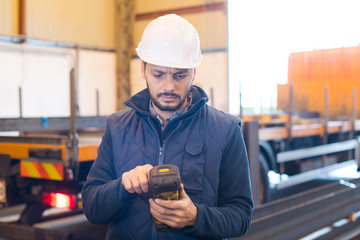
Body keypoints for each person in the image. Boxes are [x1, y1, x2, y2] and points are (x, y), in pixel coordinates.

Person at [81, 14, 253, 240]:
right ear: (143, 69)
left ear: (194, 72)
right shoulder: (118, 126)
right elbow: (92, 208)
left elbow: (241, 216)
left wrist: (195, 217)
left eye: (180, 75)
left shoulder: (226, 130)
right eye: (158, 74)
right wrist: (123, 186)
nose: (169, 86)